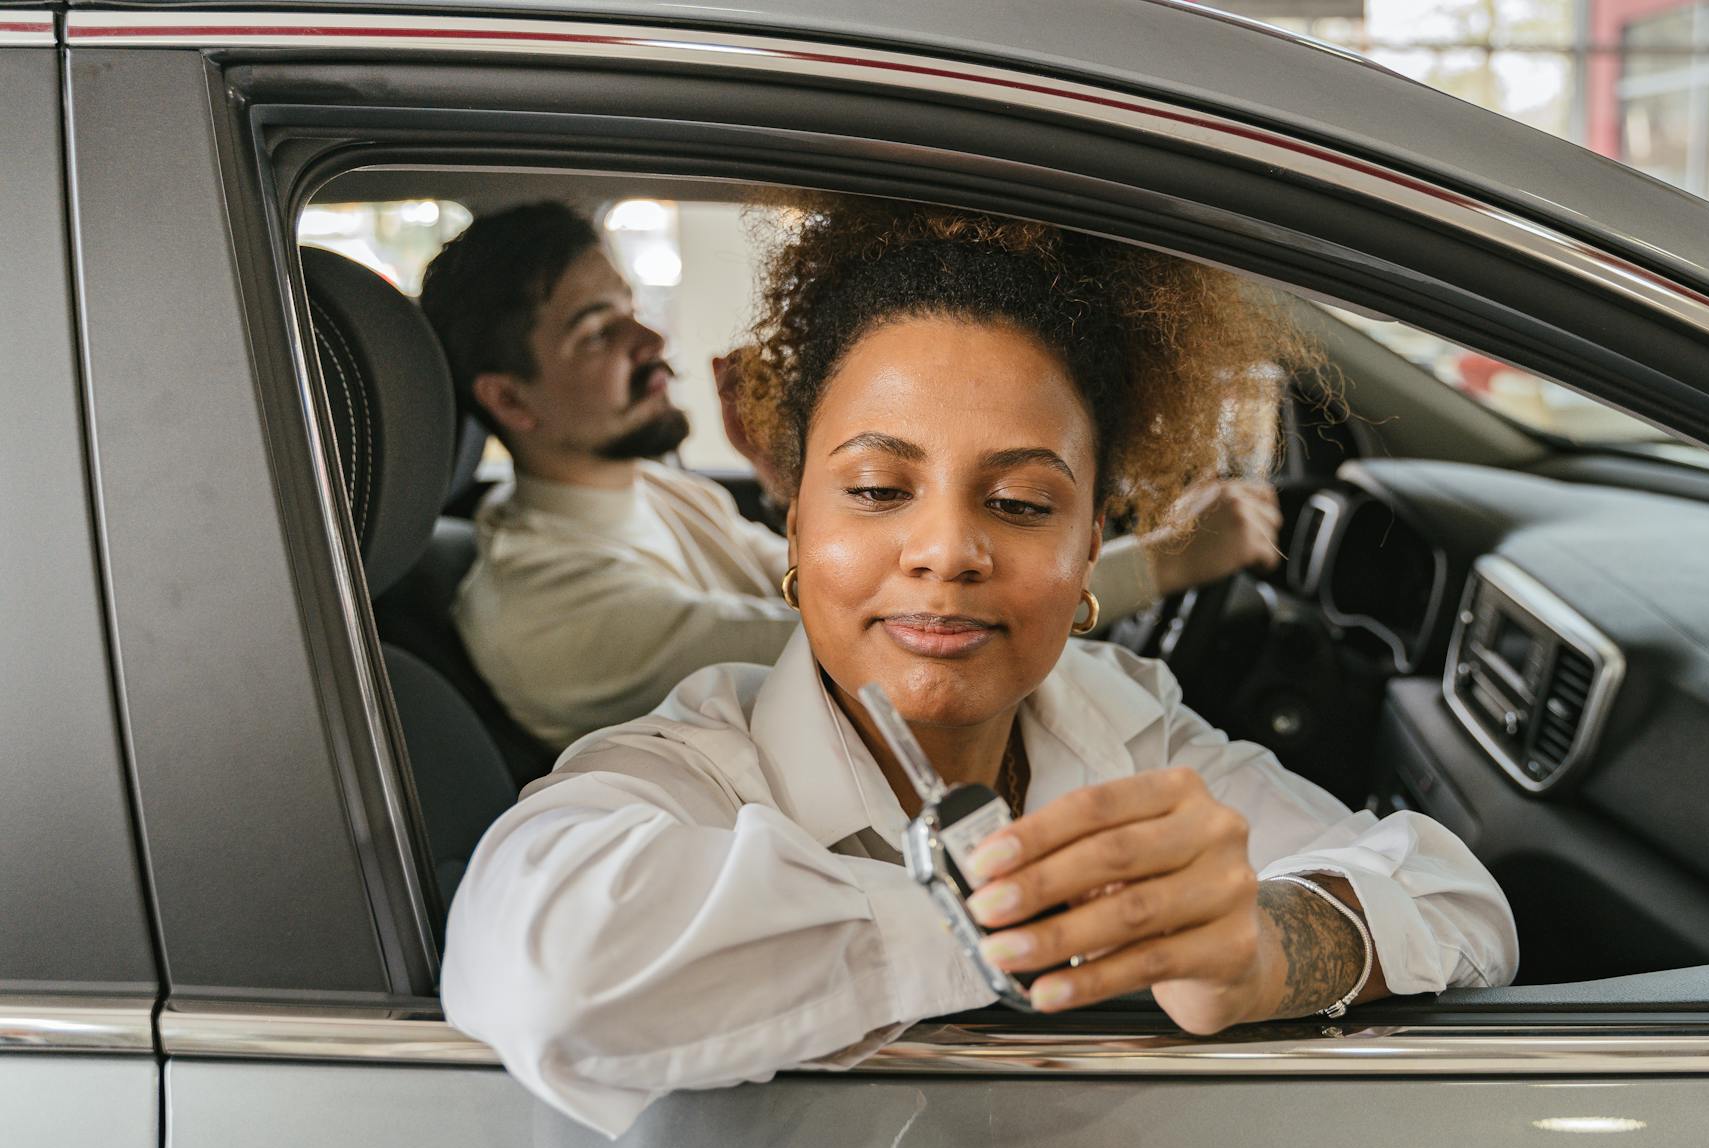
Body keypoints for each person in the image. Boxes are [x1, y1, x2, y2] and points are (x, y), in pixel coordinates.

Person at [440, 196, 1517, 1137]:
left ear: (1092, 538)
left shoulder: (1121, 718)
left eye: (1019, 502)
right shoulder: (689, 764)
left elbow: (1460, 899)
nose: (948, 549)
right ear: (793, 520)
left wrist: (1265, 940)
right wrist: (1045, 931)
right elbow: (550, 961)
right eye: (874, 489)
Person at [419, 201, 1285, 751]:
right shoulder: (549, 612)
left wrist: (794, 482)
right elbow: (859, 643)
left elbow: (801, 586)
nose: (650, 345)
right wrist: (1167, 562)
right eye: (598, 331)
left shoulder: (657, 494)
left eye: (636, 313)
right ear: (511, 400)